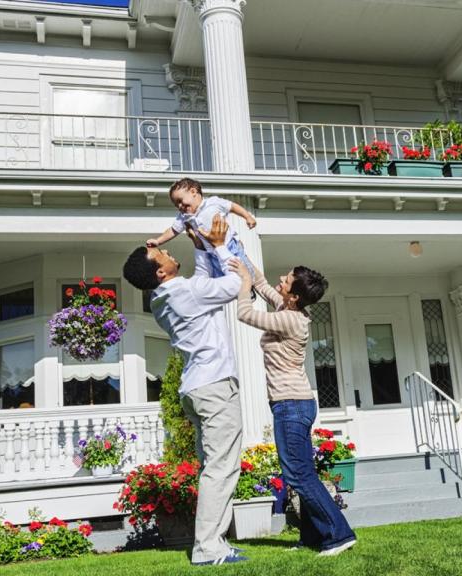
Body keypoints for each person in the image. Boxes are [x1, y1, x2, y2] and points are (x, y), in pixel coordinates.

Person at [123, 214, 247, 566]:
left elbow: (204, 283)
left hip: (196, 388)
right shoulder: (185, 292)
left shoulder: (166, 299)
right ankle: (208, 548)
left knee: (214, 465)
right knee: (221, 468)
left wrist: (202, 250)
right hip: (214, 387)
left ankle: (214, 544)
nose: (163, 250)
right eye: (159, 255)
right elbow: (232, 285)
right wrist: (221, 247)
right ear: (160, 273)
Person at [229, 258, 358, 556]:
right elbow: (262, 284)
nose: (281, 280)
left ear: (294, 295)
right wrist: (242, 258)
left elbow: (244, 312)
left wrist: (242, 285)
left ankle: (339, 534)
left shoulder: (290, 319)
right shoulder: (289, 309)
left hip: (291, 404)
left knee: (298, 474)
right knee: (299, 473)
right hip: (292, 404)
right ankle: (313, 537)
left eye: (286, 280)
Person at [148, 177, 257, 278]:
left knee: (244, 269)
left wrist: (248, 217)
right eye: (177, 205)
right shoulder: (184, 217)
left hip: (230, 246)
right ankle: (239, 291)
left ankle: (250, 284)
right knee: (221, 277)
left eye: (180, 201)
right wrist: (158, 241)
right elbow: (173, 230)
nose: (180, 206)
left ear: (193, 192)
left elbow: (232, 206)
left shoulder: (213, 202)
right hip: (212, 254)